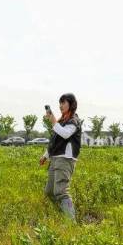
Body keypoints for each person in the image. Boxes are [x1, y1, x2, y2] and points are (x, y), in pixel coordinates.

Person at [40, 93, 82, 221]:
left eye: (64, 103)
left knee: (62, 192)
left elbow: (64, 134)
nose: (61, 106)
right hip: (55, 159)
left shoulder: (74, 121)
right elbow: (54, 141)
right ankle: (62, 214)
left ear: (71, 104)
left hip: (65, 159)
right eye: (60, 103)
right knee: (50, 192)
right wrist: (45, 156)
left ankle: (71, 222)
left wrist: (52, 120)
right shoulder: (62, 120)